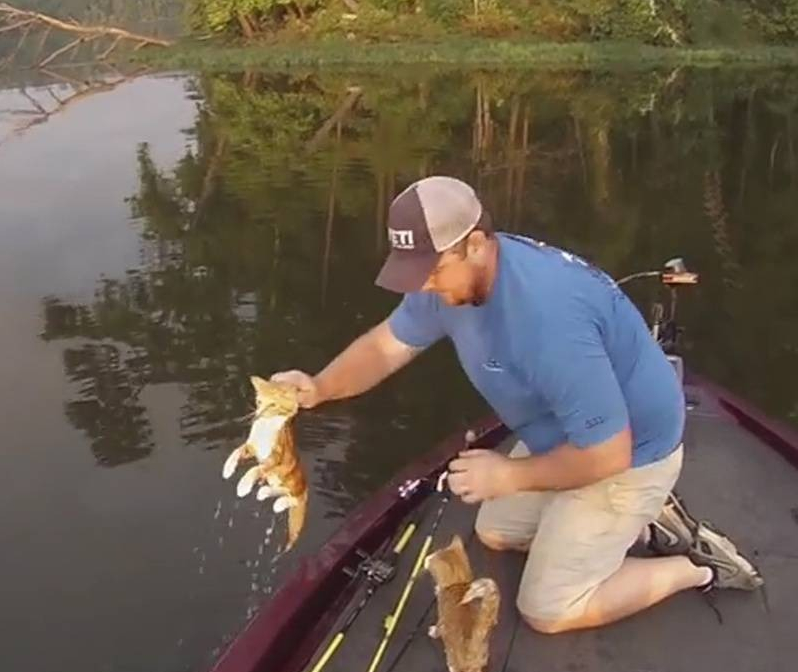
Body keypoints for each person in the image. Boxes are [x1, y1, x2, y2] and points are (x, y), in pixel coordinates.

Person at [270, 175, 763, 634]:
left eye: (433, 272)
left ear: (478, 246)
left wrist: (509, 476)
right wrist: (318, 387)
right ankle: (628, 524)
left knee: (548, 609)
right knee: (495, 532)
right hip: (566, 434)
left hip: (631, 455)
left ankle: (695, 566)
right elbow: (384, 347)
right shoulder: (447, 280)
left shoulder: (547, 321)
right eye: (413, 272)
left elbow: (610, 454)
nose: (423, 287)